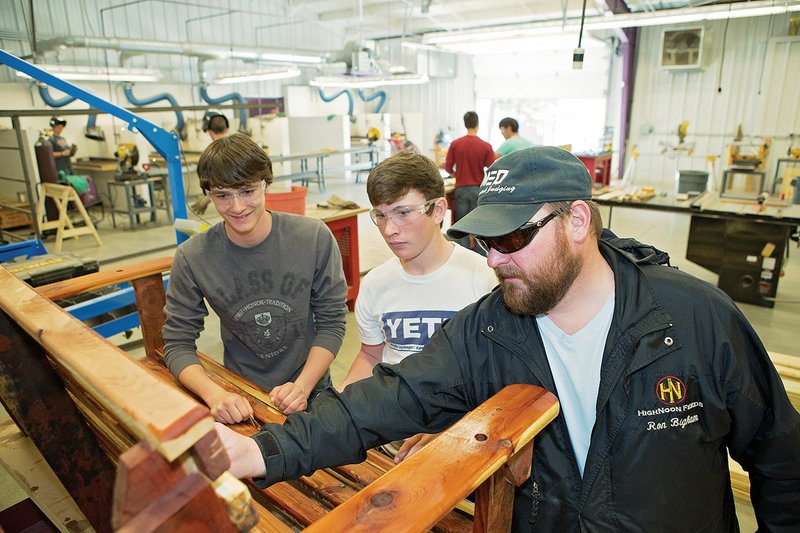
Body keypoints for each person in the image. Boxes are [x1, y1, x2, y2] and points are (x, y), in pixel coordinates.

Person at [216, 146, 800, 531]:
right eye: (485, 242)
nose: (495, 259)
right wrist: (261, 452)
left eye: (514, 238)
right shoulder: (490, 326)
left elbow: (781, 463)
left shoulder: (692, 319)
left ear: (577, 222)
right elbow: (381, 401)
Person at [163, 133, 347, 422]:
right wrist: (214, 394)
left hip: (311, 386)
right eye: (222, 195)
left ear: (266, 184)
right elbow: (176, 343)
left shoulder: (313, 237)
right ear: (209, 194)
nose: (237, 207)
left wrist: (302, 387)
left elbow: (332, 322)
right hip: (240, 394)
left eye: (247, 191)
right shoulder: (192, 257)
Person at [338, 151, 496, 459]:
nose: (389, 230)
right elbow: (371, 356)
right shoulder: (375, 285)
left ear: (438, 210)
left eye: (403, 213)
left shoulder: (485, 280)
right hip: (392, 439)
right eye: (380, 215)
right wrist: (340, 403)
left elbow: (496, 378)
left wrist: (453, 428)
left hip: (462, 442)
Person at [444, 111, 495, 253]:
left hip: (461, 189)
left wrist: (458, 174)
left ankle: (463, 254)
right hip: (479, 190)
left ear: (465, 124)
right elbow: (492, 169)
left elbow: (448, 167)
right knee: (479, 225)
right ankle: (480, 255)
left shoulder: (456, 144)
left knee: (462, 225)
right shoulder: (486, 146)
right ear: (477, 124)